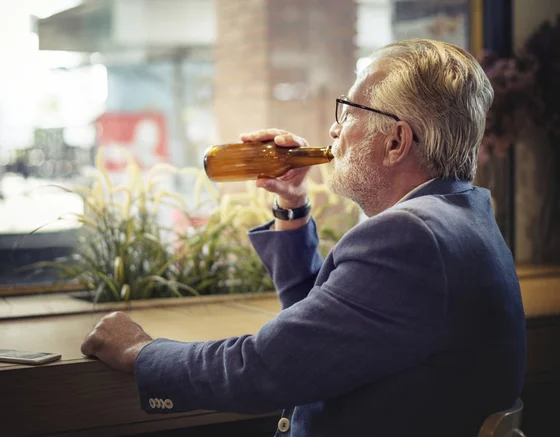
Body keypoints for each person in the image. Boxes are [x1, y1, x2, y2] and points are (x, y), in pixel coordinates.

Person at [81, 39, 526, 437]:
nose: (334, 130)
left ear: (396, 142)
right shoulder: (464, 215)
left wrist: (140, 352)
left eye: (349, 113)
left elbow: (262, 369)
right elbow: (319, 335)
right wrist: (292, 205)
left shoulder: (410, 237)